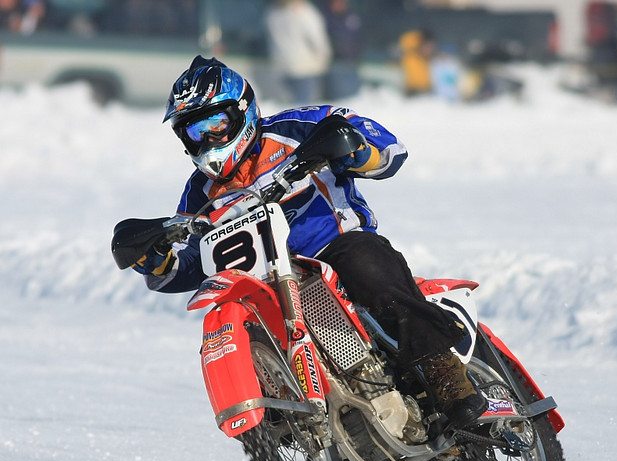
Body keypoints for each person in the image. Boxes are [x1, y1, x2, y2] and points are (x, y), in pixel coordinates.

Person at [132, 55, 488, 428]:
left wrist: (356, 151)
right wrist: (155, 259)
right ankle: (299, 434)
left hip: (336, 249)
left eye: (214, 124)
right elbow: (194, 263)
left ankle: (449, 381)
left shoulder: (300, 127)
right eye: (193, 131)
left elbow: (388, 150)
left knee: (368, 269)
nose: (206, 138)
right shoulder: (199, 193)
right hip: (266, 284)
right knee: (257, 328)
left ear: (241, 112)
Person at [265, 0, 332, 104]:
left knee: (285, 110)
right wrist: (324, 59)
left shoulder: (272, 13)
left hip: (282, 67)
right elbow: (318, 40)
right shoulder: (305, 12)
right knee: (306, 110)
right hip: (305, 69)